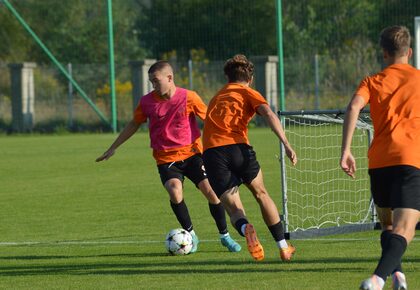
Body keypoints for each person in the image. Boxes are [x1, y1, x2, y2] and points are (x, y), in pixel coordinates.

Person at [96, 60, 241, 253]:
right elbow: (134, 124)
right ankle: (191, 235)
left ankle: (225, 236)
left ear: (169, 78)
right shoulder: (146, 102)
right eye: (151, 81)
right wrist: (113, 147)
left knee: (212, 193)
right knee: (174, 191)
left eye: (156, 80)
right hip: (166, 158)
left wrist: (230, 140)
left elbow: (211, 119)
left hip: (193, 154)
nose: (153, 85)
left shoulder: (189, 97)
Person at [340, 25, 420, 290]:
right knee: (405, 229)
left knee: (388, 227)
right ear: (409, 51)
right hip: (409, 160)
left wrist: (346, 150)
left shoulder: (371, 81)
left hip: (379, 163)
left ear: (384, 53)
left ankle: (398, 276)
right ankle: (377, 279)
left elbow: (353, 106)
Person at [202, 54, 298, 261]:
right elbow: (270, 115)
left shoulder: (216, 97)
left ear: (227, 78)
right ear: (250, 78)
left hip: (212, 153)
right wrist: (287, 144)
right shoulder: (248, 92)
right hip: (238, 149)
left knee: (234, 209)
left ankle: (246, 228)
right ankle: (283, 247)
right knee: (261, 194)